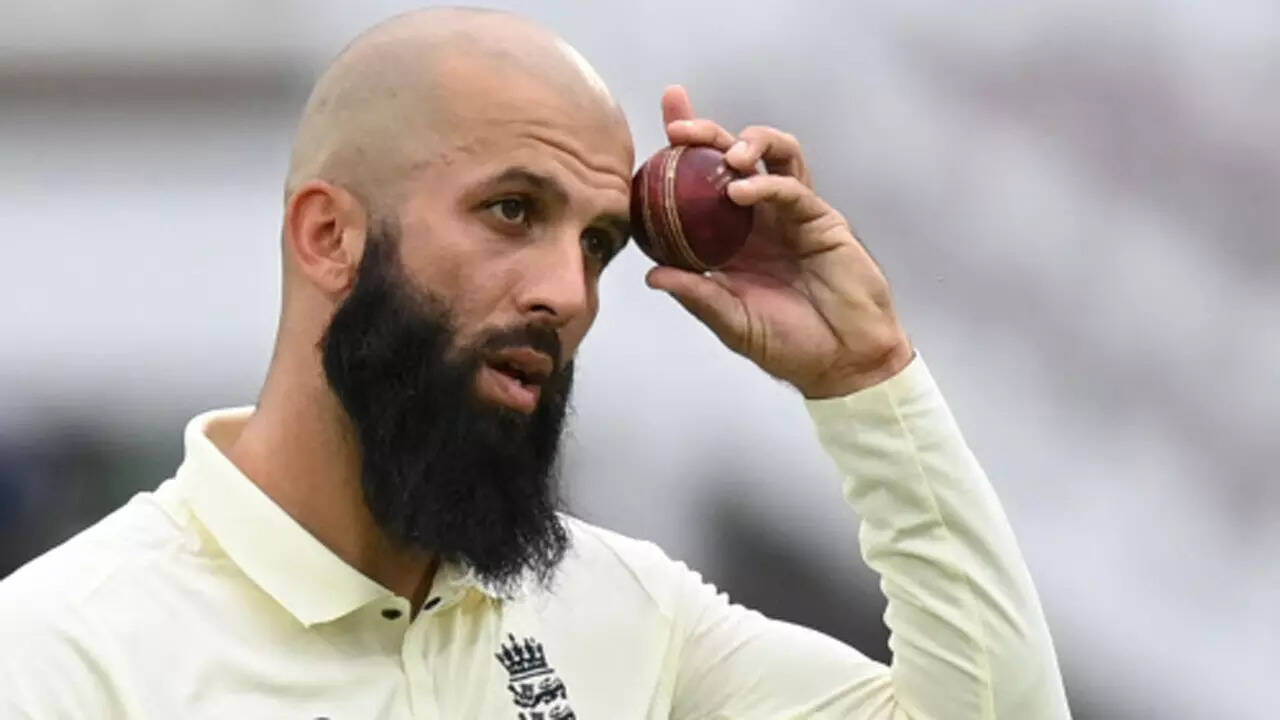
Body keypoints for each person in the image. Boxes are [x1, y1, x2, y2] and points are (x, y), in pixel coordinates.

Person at [0, 8, 1070, 719]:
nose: (569, 294)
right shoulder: (64, 653)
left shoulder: (622, 613)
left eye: (598, 244)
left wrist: (864, 377)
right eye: (512, 210)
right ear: (329, 236)